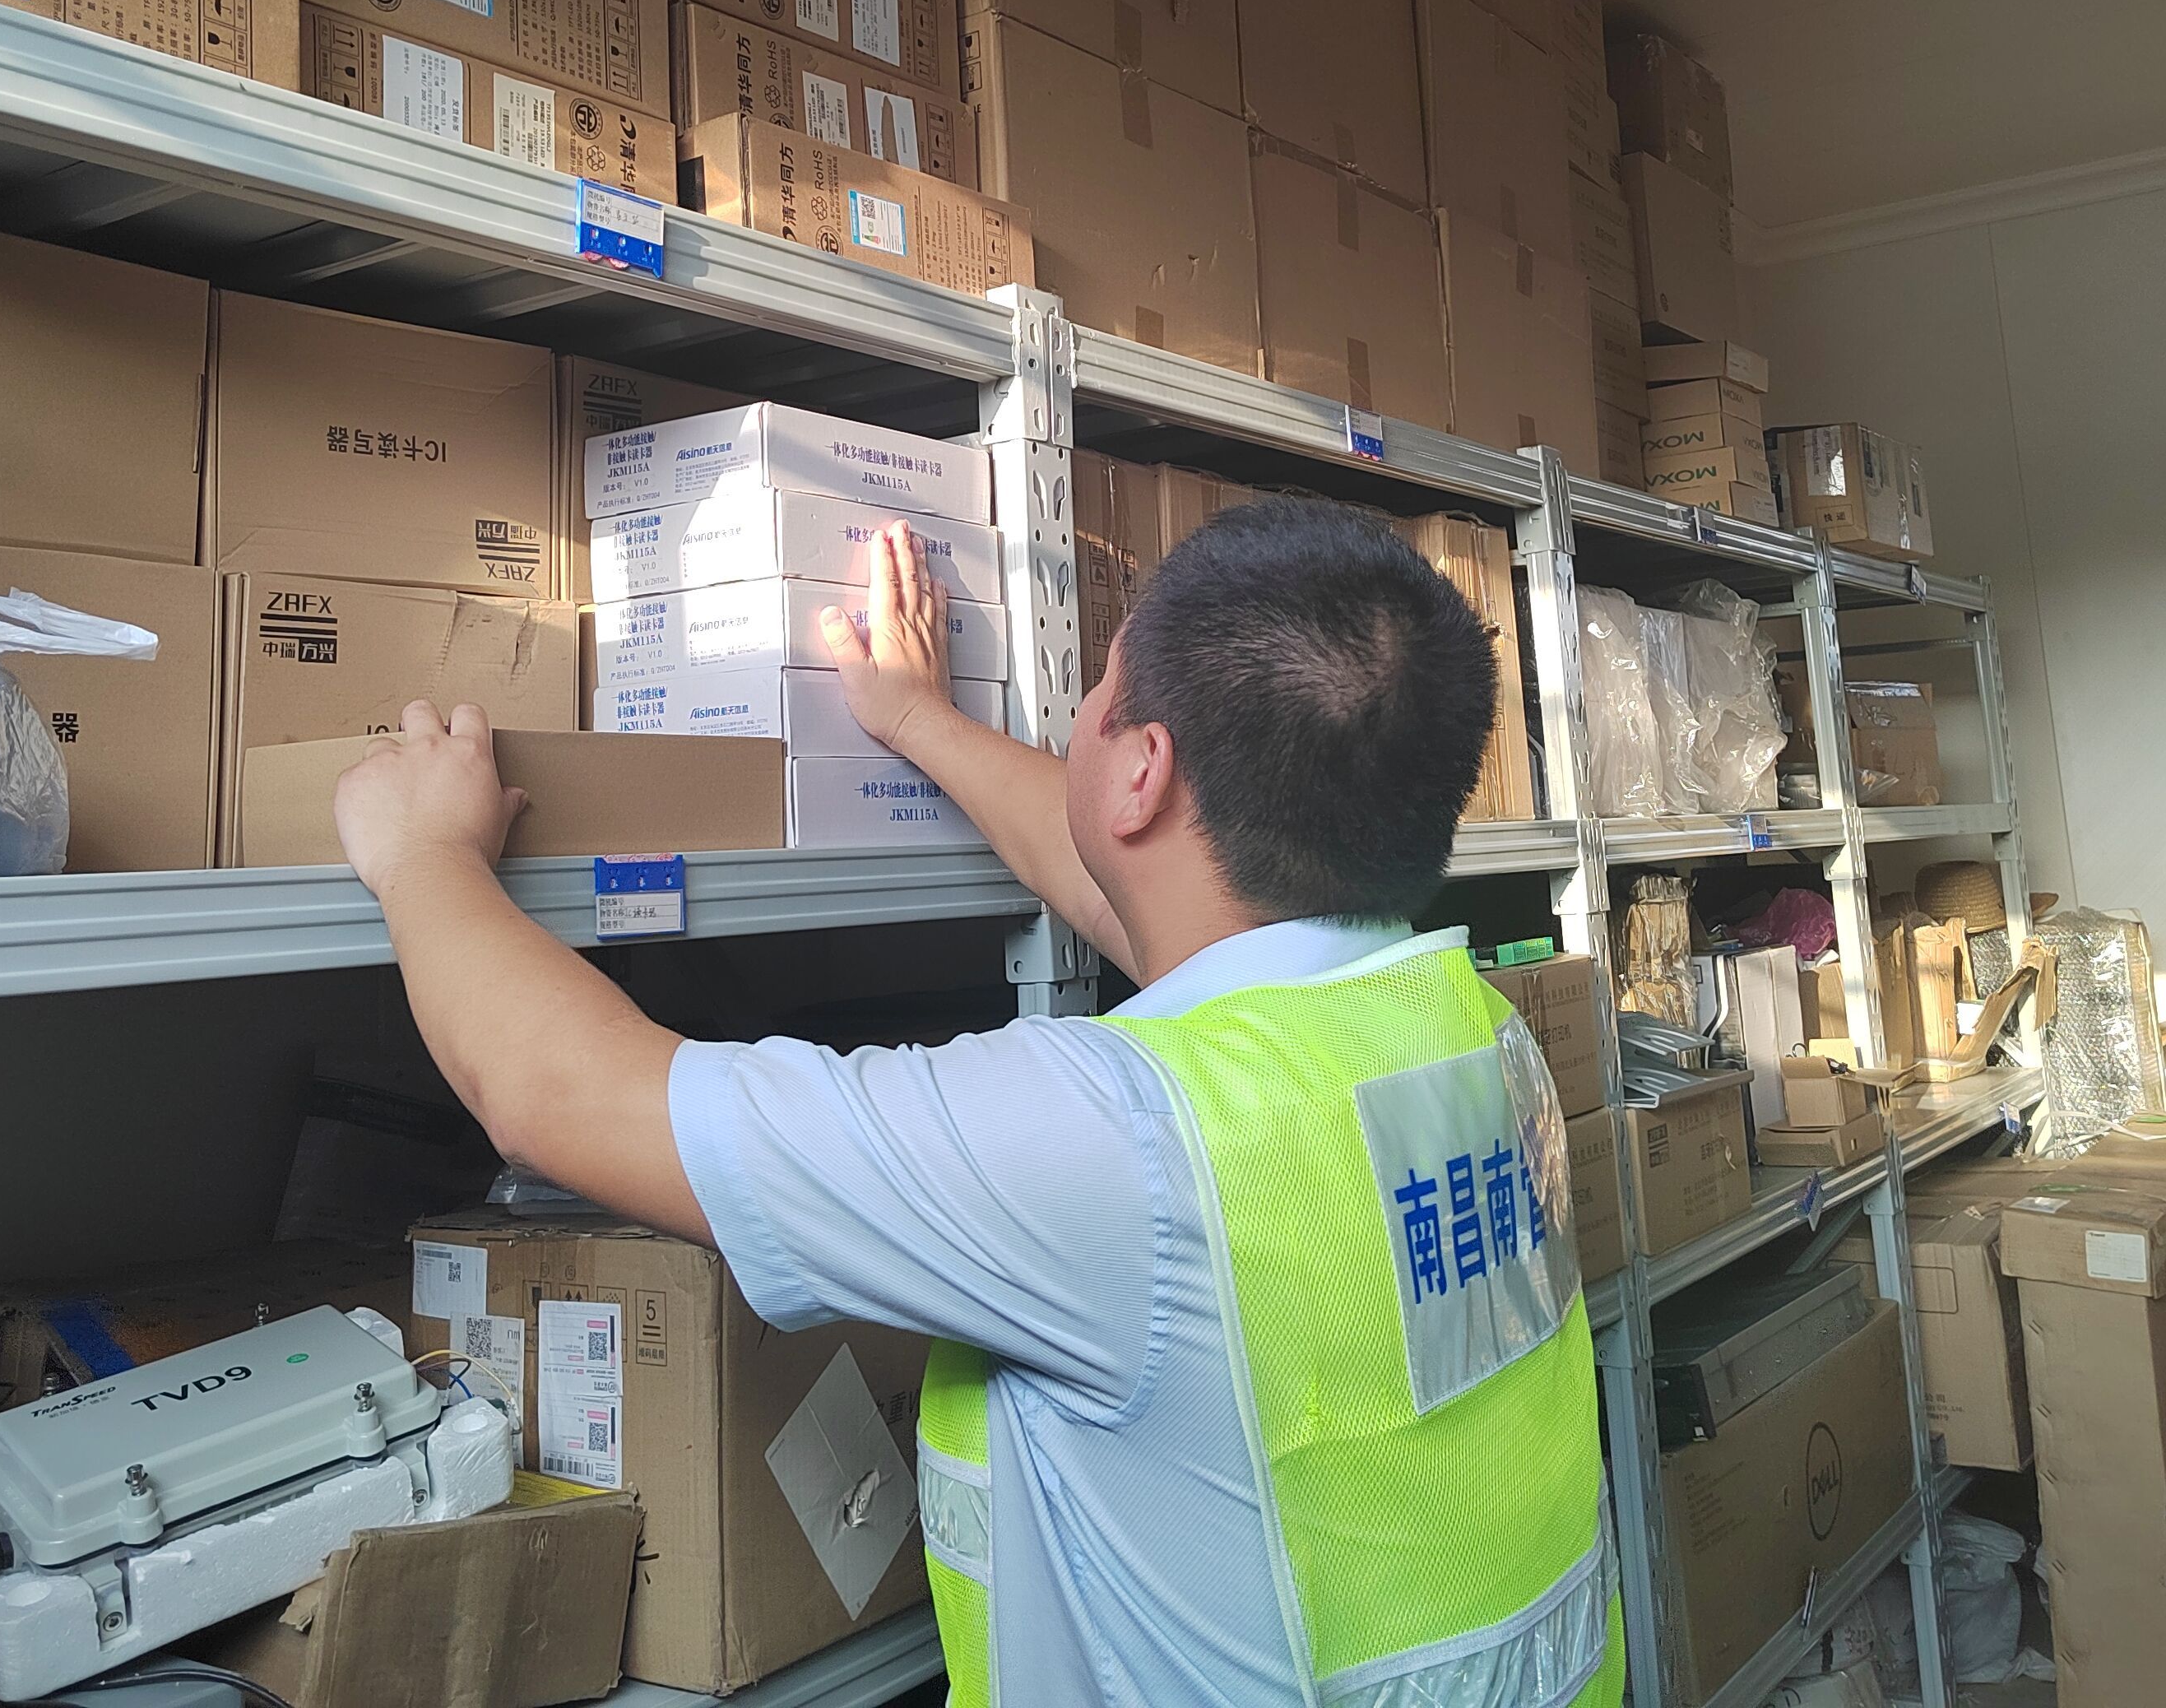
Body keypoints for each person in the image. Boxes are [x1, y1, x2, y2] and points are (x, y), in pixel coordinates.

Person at [335, 494, 1620, 1708]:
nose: (1084, 712)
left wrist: (421, 854)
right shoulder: (1463, 1033)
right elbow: (1132, 886)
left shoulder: (1121, 1146)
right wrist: (913, 718)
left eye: (1100, 690)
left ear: (1143, 771)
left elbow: (560, 1096)